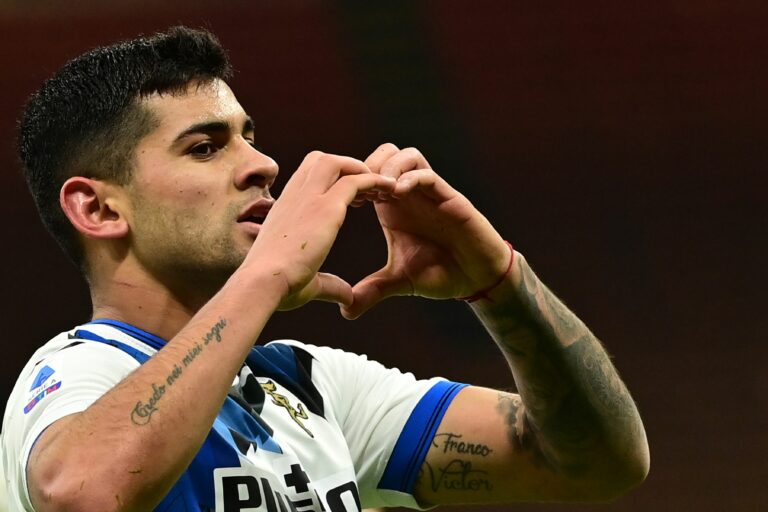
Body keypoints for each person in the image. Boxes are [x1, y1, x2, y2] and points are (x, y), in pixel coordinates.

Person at [1, 26, 648, 512]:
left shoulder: (311, 388)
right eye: (205, 147)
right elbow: (83, 493)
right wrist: (271, 271)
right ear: (97, 207)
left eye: (249, 136)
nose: (261, 165)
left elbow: (596, 464)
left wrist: (500, 281)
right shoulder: (76, 374)